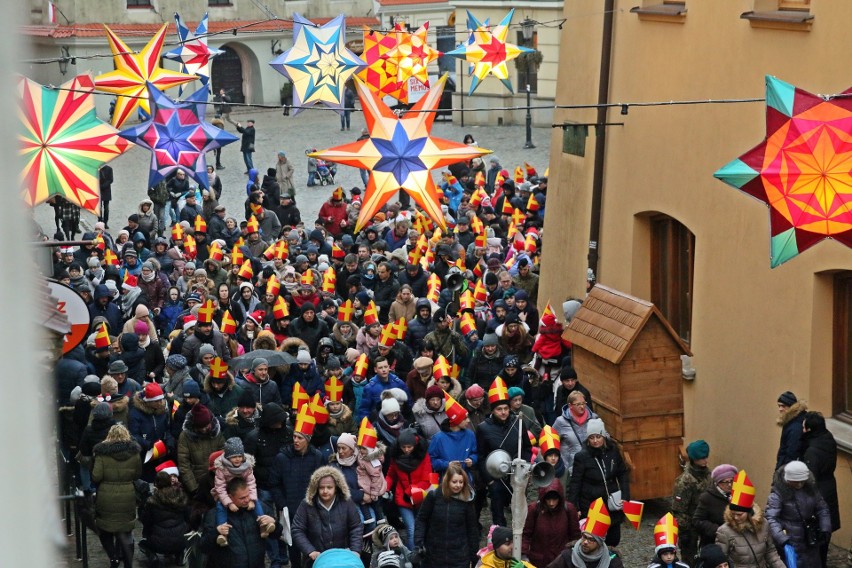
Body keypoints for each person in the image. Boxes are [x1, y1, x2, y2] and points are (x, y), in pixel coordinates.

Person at [476, 378, 532, 527]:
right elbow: (481, 456)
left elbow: (527, 447)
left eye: (506, 409)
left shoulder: (518, 422)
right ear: (493, 410)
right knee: (498, 511)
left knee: (518, 508)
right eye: (499, 409)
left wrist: (524, 465)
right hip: (496, 475)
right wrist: (490, 480)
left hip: (516, 473)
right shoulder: (483, 428)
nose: (503, 412)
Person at [567, 418, 630, 547]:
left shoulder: (613, 451)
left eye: (598, 437)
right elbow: (575, 483)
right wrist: (575, 506)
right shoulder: (582, 457)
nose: (595, 441)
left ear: (603, 436)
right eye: (592, 438)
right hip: (591, 503)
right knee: (595, 540)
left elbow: (622, 473)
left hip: (611, 501)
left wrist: (625, 496)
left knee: (614, 539)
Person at [201, 477, 282, 568]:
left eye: (248, 495)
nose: (247, 500)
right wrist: (216, 532)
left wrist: (274, 523)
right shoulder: (214, 515)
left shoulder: (260, 508)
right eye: (242, 498)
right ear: (230, 497)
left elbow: (277, 534)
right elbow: (204, 547)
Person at [92, 424, 142, 568]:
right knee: (126, 532)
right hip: (128, 495)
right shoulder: (134, 452)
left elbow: (96, 476)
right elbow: (137, 474)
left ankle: (113, 558)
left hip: (106, 496)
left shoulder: (102, 453)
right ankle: (128, 564)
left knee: (106, 530)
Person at [765, 460, 832, 568]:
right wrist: (782, 539)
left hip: (810, 538)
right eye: (796, 481)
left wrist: (825, 528)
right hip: (790, 541)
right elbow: (771, 518)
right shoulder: (777, 494)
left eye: (802, 481)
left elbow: (822, 508)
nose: (799, 484)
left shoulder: (811, 489)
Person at [291, 466, 363, 562]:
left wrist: (355, 550)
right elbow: (297, 529)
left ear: (336, 488)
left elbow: (356, 526)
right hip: (316, 559)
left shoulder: (346, 502)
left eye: (329, 487)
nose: (325, 491)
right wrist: (310, 551)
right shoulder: (307, 505)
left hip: (343, 557)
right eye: (321, 487)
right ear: (316, 488)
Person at [414, 462, 479, 568]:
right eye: (454, 482)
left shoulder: (467, 501)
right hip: (433, 555)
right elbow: (422, 519)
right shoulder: (434, 496)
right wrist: (419, 542)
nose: (458, 485)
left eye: (461, 482)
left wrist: (474, 556)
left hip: (459, 556)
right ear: (447, 481)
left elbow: (472, 529)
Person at [714, 470, 784, 568]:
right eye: (733, 514)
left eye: (739, 514)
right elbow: (720, 562)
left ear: (749, 512)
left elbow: (771, 552)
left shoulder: (764, 525)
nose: (735, 517)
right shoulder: (724, 531)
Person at [801, 411, 840, 567]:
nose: (802, 430)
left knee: (815, 534)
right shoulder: (828, 439)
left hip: (818, 492)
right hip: (829, 487)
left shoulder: (812, 451)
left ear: (810, 430)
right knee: (825, 532)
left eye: (804, 427)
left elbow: (810, 479)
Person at [385, 428, 433, 550]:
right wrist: (385, 488)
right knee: (411, 529)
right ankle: (414, 557)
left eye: (409, 447)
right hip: (403, 500)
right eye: (404, 447)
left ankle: (423, 553)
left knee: (420, 527)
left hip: (420, 497)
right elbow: (391, 474)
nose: (406, 450)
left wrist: (410, 491)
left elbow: (426, 479)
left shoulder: (423, 456)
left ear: (415, 445)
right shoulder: (396, 456)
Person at [544, 499, 624, 568]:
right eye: (584, 537)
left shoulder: (613, 562)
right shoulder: (567, 556)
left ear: (599, 542)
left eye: (591, 539)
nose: (585, 542)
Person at [521, 479, 580, 567]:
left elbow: (575, 535)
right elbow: (526, 534)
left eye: (554, 499)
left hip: (561, 560)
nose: (551, 503)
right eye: (548, 499)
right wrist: (523, 555)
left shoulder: (569, 509)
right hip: (538, 560)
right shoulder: (534, 509)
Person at [671, 439, 712, 562]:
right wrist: (685, 532)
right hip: (690, 525)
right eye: (701, 458)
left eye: (706, 457)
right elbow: (678, 510)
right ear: (694, 459)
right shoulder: (685, 481)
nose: (705, 460)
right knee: (690, 560)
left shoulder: (709, 475)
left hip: (706, 522)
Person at [139, 469, 190, 565]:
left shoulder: (152, 501)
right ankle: (179, 555)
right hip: (180, 541)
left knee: (142, 543)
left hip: (158, 543)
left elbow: (146, 520)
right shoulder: (181, 496)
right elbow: (188, 517)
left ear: (156, 484)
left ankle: (153, 557)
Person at [693, 463, 737, 553]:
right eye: (725, 482)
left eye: (731, 481)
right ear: (717, 483)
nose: (729, 485)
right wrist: (718, 530)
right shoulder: (707, 498)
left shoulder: (738, 495)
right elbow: (697, 521)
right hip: (715, 543)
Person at [775, 390, 807, 470]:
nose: (780, 409)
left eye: (783, 406)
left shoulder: (795, 427)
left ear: (791, 407)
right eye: (779, 406)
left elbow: (792, 452)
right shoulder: (791, 422)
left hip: (787, 470)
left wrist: (782, 472)